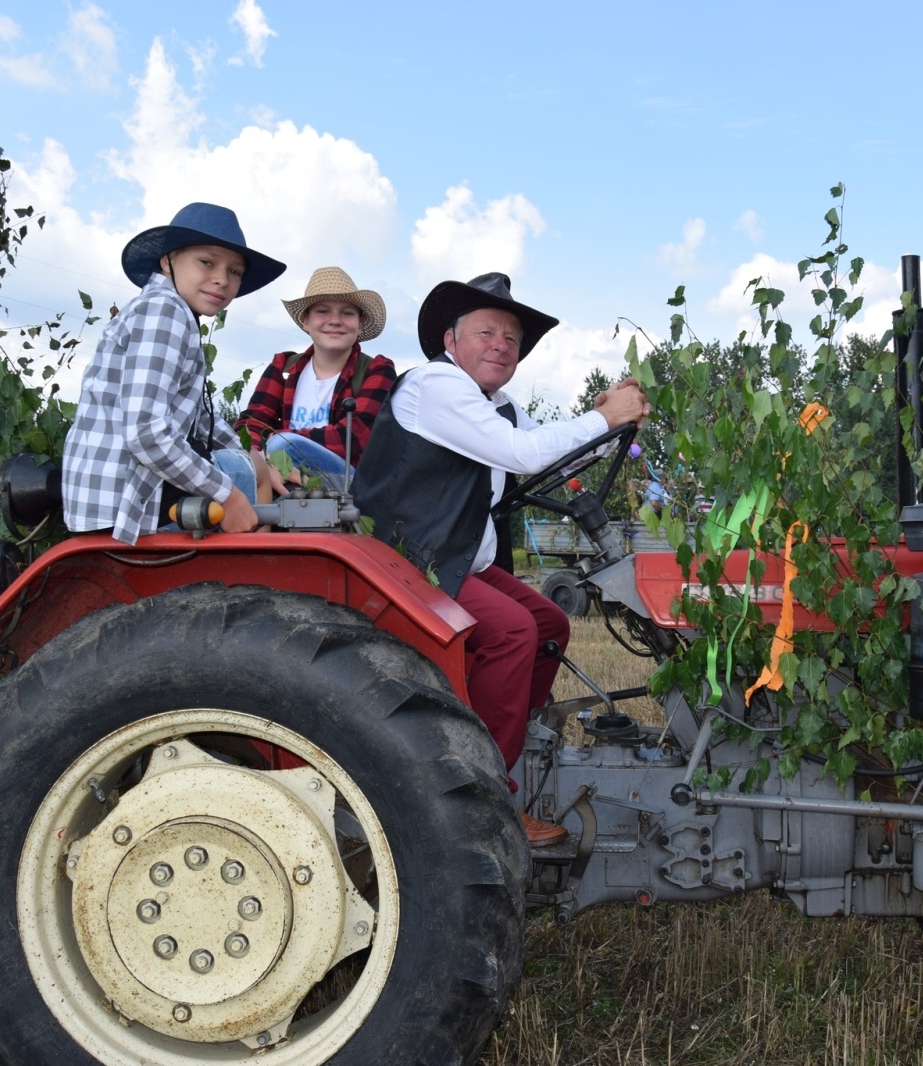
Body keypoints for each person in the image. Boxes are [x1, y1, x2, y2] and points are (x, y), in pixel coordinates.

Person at [353, 273, 650, 846]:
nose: (500, 345)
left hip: (463, 560)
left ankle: (510, 737)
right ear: (450, 340)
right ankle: (483, 794)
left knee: (550, 624)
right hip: (413, 560)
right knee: (514, 632)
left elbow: (547, 459)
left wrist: (609, 425)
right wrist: (603, 418)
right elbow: (519, 453)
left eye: (511, 339)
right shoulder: (437, 386)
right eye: (486, 331)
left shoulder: (501, 404)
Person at [62, 202, 286, 544]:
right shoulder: (165, 311)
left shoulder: (164, 309)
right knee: (243, 476)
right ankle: (260, 556)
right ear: (168, 261)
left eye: (235, 272)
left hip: (107, 496)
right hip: (128, 500)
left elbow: (197, 420)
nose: (222, 280)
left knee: (252, 466)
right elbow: (145, 434)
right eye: (207, 262)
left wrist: (258, 460)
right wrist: (229, 496)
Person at [236, 267, 397, 487]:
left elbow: (353, 438)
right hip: (276, 469)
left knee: (284, 445)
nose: (335, 320)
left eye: (347, 313)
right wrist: (260, 459)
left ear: (360, 324)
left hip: (347, 481)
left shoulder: (376, 370)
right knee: (233, 458)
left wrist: (276, 441)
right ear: (306, 322)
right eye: (323, 311)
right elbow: (251, 423)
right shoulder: (284, 367)